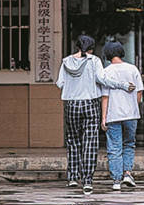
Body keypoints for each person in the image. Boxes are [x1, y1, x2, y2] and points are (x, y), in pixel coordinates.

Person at [56, 34, 135, 195]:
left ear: (77, 46)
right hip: (90, 103)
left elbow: (60, 83)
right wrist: (123, 85)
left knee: (73, 141)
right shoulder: (94, 61)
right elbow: (102, 79)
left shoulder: (66, 61)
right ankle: (87, 181)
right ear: (91, 48)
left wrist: (73, 86)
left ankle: (72, 177)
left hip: (71, 104)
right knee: (90, 142)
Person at [100, 40, 144, 191]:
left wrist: (103, 117)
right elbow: (139, 92)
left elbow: (105, 97)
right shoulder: (132, 69)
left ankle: (116, 181)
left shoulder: (106, 72)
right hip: (131, 114)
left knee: (114, 147)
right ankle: (127, 174)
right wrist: (134, 106)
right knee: (129, 144)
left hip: (113, 114)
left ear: (107, 54)